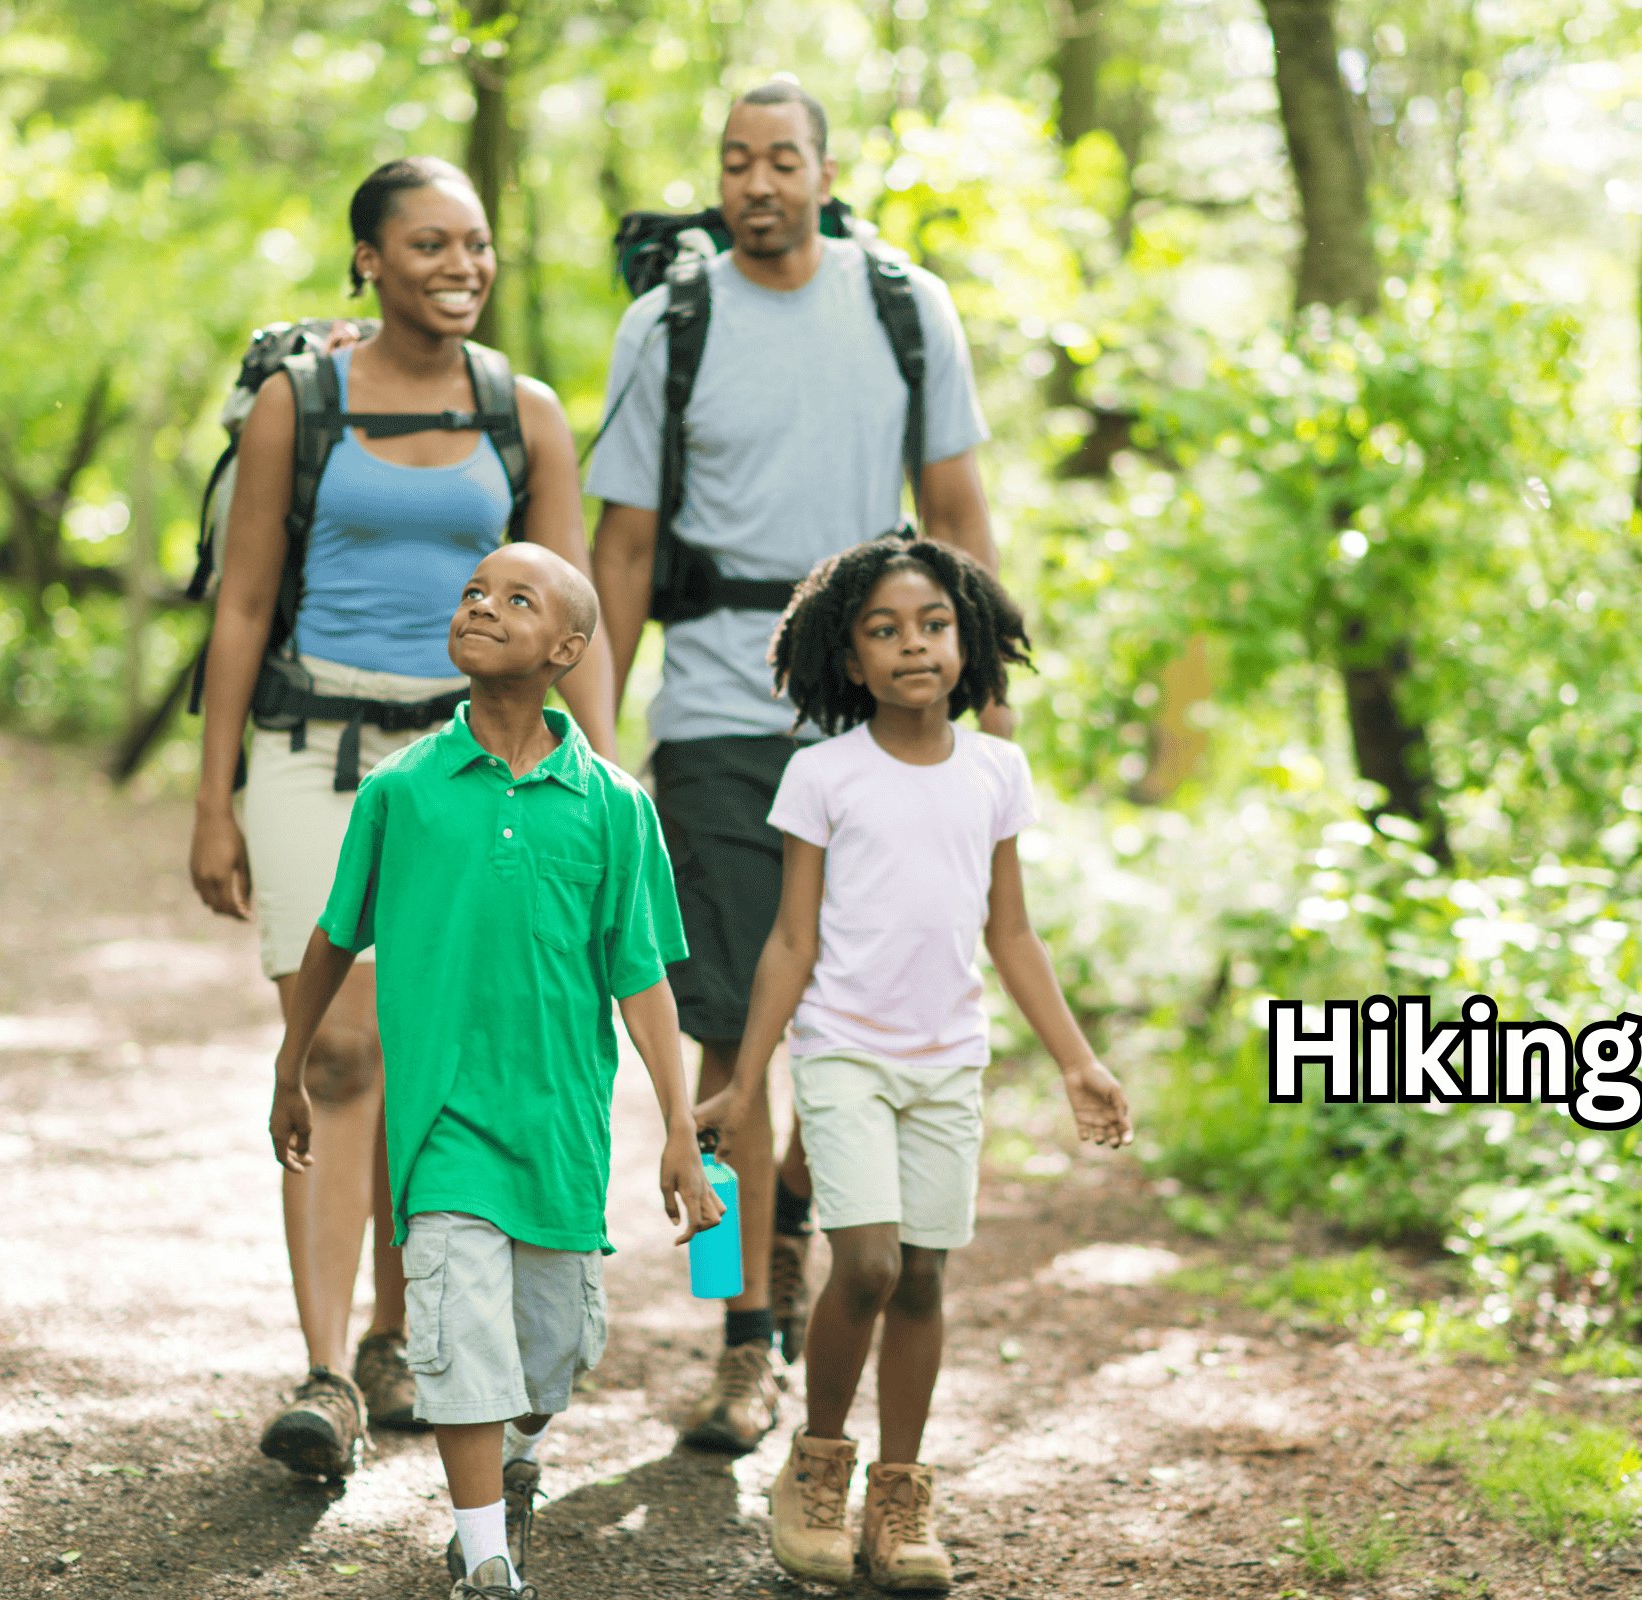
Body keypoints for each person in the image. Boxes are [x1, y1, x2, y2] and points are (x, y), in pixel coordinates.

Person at [588, 78, 1005, 1455]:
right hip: (713, 714)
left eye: (782, 160)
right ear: (716, 181)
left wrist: (981, 696)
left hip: (874, 719)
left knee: (855, 1018)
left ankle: (790, 1248)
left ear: (826, 174)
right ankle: (736, 1332)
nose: (757, 182)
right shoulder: (669, 325)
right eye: (734, 162)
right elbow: (628, 548)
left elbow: (954, 516)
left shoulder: (906, 305)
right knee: (729, 1035)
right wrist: (595, 735)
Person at [190, 154, 618, 1479]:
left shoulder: (524, 412)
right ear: (367, 259)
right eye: (430, 244)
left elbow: (576, 616)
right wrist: (213, 802)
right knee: (343, 1049)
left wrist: (599, 787)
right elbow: (244, 604)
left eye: (477, 245)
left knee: (444, 1055)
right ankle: (326, 1372)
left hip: (467, 771)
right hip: (311, 753)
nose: (462, 267)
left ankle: (399, 1340)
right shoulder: (296, 404)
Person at [269, 542, 719, 1600]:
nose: (482, 605)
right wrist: (290, 1064)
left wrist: (678, 1124)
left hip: (560, 1125)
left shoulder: (614, 805)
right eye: (473, 591)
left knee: (549, 1348)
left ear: (566, 648)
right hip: (443, 1126)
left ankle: (518, 1463)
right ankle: (485, 1556)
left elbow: (642, 976)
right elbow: (335, 937)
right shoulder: (402, 791)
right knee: (457, 1330)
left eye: (516, 598)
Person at [694, 535, 1133, 1593]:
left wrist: (1076, 1060)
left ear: (966, 637)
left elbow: (1011, 933)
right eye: (883, 631)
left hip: (948, 1062)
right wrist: (747, 1082)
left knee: (927, 1276)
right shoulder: (820, 774)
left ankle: (898, 1492)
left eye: (931, 625)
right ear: (848, 660)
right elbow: (789, 942)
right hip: (843, 1054)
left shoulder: (996, 771)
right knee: (875, 1263)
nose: (911, 646)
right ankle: (818, 1470)